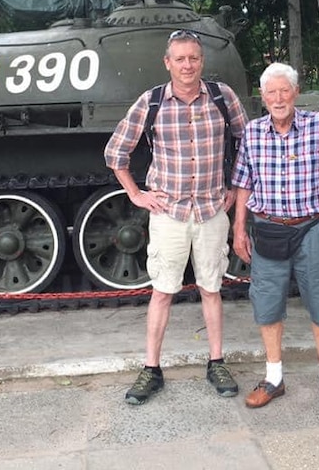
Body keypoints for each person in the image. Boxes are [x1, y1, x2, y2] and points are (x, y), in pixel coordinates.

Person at [104, 29, 249, 405]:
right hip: (168, 212)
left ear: (202, 61)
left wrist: (235, 186)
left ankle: (216, 362)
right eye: (180, 59)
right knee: (163, 292)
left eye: (194, 58)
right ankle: (151, 369)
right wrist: (135, 194)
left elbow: (247, 143)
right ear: (167, 63)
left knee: (211, 290)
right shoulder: (151, 102)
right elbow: (115, 152)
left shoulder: (222, 97)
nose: (188, 65)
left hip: (211, 210)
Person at [230, 62, 319, 414]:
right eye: (271, 92)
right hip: (269, 227)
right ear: (263, 97)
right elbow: (243, 184)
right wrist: (238, 228)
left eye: (283, 90)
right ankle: (273, 378)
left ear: (296, 93)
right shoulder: (253, 133)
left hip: (312, 227)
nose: (278, 98)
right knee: (267, 301)